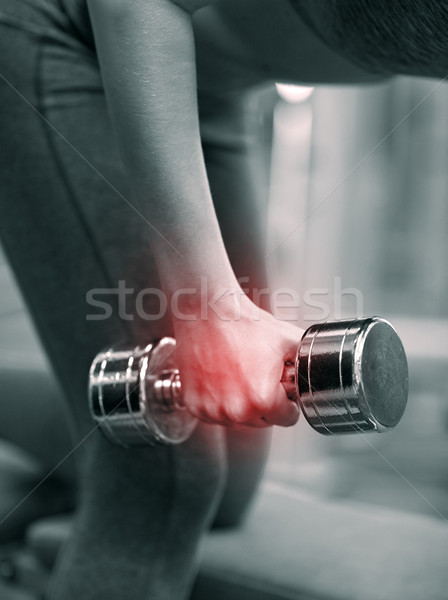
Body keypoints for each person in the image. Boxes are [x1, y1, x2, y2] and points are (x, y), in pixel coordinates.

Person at [0, 1, 445, 598]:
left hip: (210, 89)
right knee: (164, 472)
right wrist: (206, 305)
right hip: (68, 32)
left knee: (226, 478)